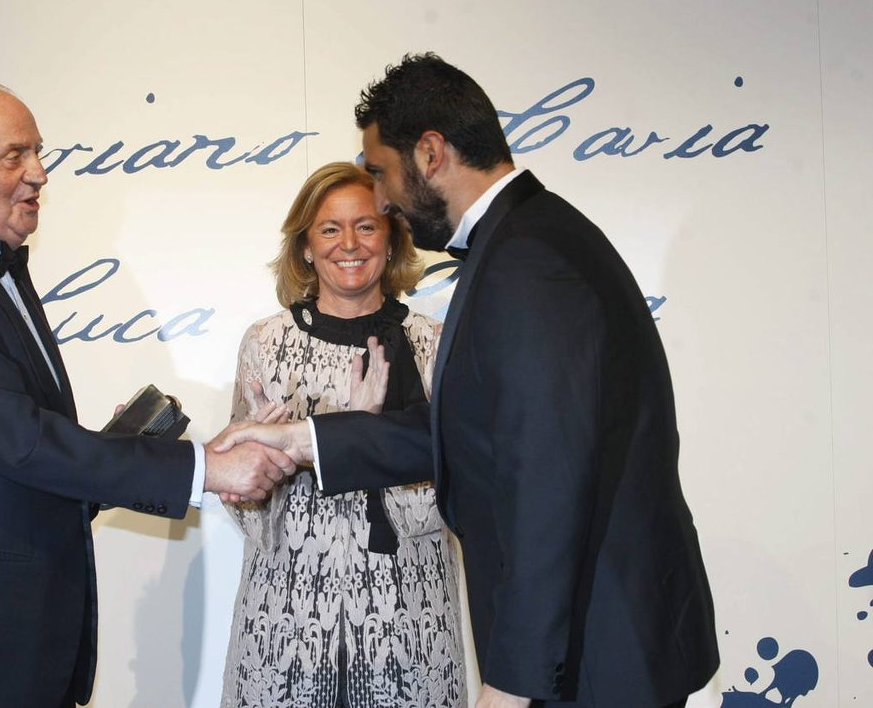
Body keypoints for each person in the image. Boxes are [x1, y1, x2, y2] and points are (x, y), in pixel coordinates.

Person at [216, 54, 719, 708]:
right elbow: (468, 431)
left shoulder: (526, 261)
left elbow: (546, 477)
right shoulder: (527, 239)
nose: (382, 198)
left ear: (429, 154)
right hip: (594, 638)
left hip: (595, 651)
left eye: (380, 172)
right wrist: (303, 441)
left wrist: (512, 685)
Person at [0, 78, 294, 708]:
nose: (40, 174)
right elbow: (21, 442)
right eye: (14, 156)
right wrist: (204, 468)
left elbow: (4, 455)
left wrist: (122, 450)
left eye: (38, 153)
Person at [219, 162, 466, 708]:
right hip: (286, 623)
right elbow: (245, 509)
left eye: (367, 225)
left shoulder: (436, 345)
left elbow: (460, 491)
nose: (349, 243)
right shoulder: (265, 343)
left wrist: (365, 440)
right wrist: (263, 468)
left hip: (409, 622)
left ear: (392, 238)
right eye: (330, 229)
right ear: (306, 246)